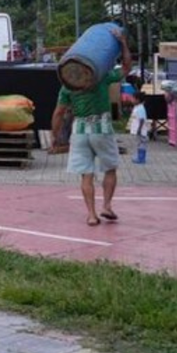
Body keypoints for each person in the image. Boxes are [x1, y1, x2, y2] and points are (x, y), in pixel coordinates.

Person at [52, 26, 131, 227]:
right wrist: (122, 43)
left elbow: (59, 113)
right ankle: (107, 206)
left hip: (79, 131)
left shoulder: (66, 87)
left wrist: (55, 136)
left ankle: (91, 215)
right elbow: (126, 69)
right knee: (110, 168)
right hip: (101, 128)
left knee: (86, 174)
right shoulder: (101, 78)